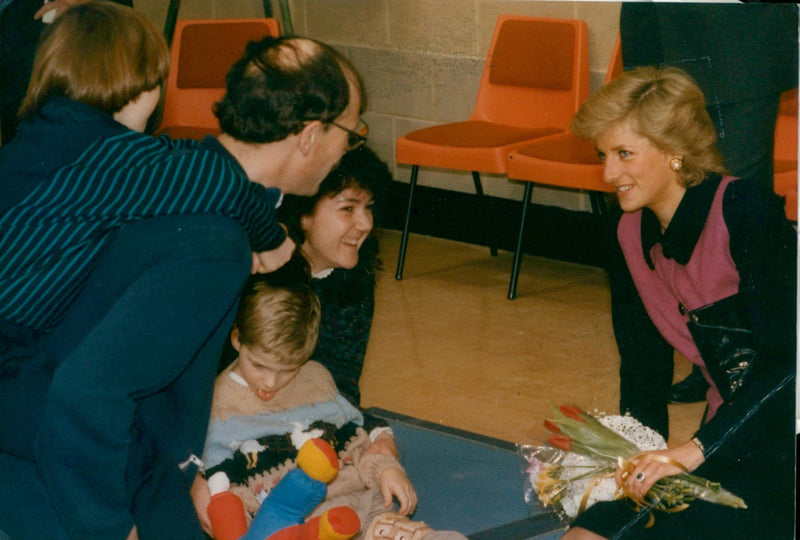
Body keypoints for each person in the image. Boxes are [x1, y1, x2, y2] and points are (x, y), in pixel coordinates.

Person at [0, 3, 365, 538]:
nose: (346, 151)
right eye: (350, 134)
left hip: (99, 454)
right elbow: (84, 395)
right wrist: (110, 526)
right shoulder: (212, 241)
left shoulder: (158, 176)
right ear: (310, 136)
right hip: (71, 476)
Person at [563, 66, 796, 539]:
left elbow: (787, 365)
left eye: (624, 153)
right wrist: (629, 469)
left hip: (783, 431)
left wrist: (693, 450)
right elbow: (642, 373)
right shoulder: (626, 232)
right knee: (591, 532)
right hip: (725, 434)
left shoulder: (748, 212)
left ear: (673, 153)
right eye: (603, 155)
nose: (609, 173)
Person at [619, 2, 799, 404]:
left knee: (732, 221)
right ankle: (706, 361)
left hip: (736, 47)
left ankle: (746, 377)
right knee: (663, 219)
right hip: (659, 37)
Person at [193, 279, 469, 540]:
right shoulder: (218, 402)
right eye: (259, 366)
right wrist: (239, 514)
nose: (270, 382)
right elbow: (221, 481)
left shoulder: (315, 379)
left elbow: (357, 435)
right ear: (237, 339)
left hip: (365, 504)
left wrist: (387, 469)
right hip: (298, 525)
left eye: (287, 370)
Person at [278, 144, 390, 407]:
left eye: (368, 207)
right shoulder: (262, 273)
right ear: (304, 215)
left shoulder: (356, 280)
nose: (365, 224)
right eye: (348, 208)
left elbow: (342, 384)